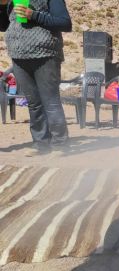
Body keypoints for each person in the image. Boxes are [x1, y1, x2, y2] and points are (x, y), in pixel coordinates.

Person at [0, 0, 72, 156]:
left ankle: (60, 144)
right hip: (19, 57)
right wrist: (1, 5)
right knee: (34, 103)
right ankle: (42, 144)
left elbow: (65, 23)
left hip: (45, 55)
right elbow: (3, 26)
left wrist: (33, 15)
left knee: (51, 101)